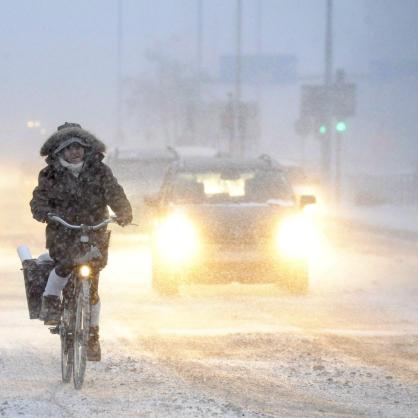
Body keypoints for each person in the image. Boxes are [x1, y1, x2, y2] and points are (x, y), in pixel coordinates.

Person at [30, 122, 132, 361]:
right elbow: (39, 200)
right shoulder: (50, 174)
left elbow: (115, 193)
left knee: (93, 284)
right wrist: (44, 212)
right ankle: (51, 300)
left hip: (94, 229)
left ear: (87, 148)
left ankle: (92, 335)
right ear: (59, 152)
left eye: (79, 146)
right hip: (63, 230)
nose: (75, 152)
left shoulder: (100, 171)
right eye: (69, 147)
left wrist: (124, 212)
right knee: (64, 264)